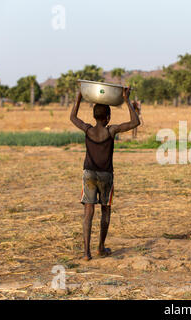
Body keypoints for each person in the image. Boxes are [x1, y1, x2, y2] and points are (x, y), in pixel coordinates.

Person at [70, 87, 140, 261]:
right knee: (105, 211)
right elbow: (135, 122)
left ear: (94, 117)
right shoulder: (111, 131)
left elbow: (72, 117)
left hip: (89, 175)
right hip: (106, 176)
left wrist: (78, 97)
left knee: (88, 212)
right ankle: (100, 247)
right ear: (108, 117)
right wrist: (126, 99)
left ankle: (86, 253)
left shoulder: (88, 130)